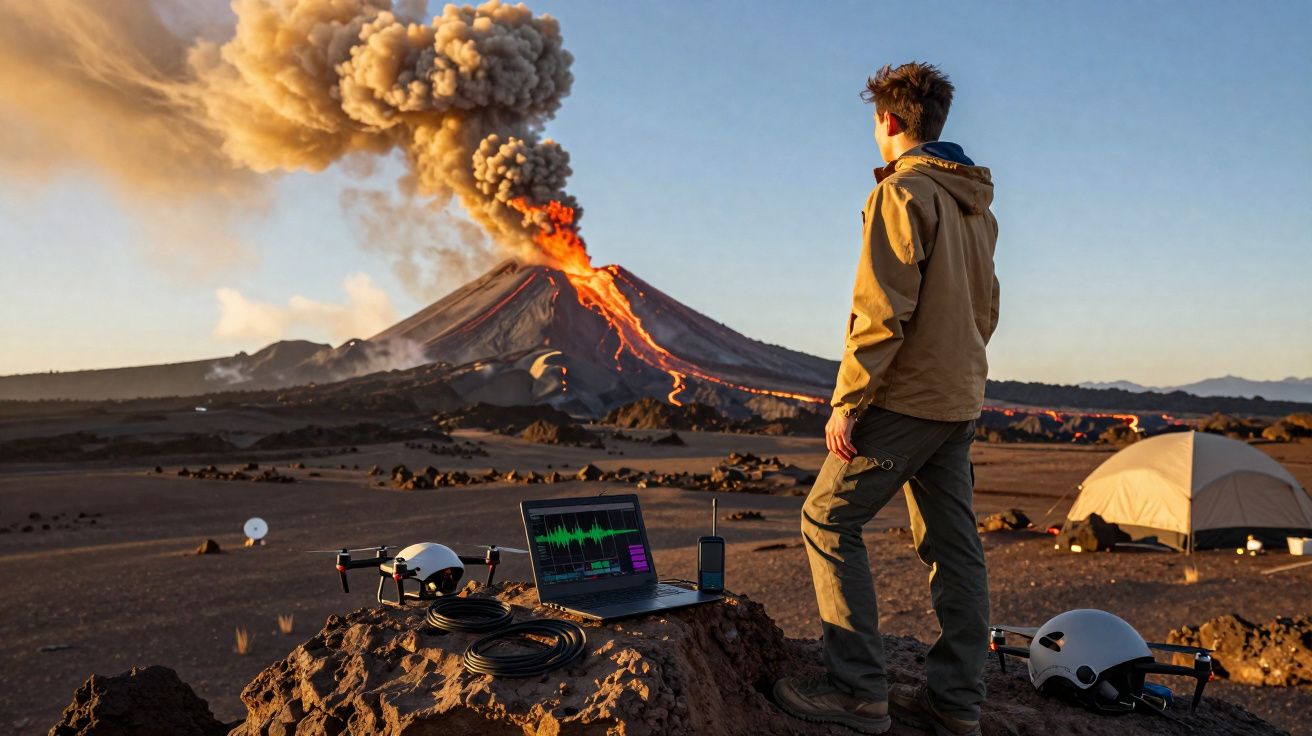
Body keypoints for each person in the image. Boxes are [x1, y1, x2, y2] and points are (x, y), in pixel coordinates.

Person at [773, 62, 1000, 736]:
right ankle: (959, 703)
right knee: (954, 546)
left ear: (891, 121)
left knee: (826, 520)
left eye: (875, 119)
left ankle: (857, 691)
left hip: (902, 401)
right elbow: (987, 309)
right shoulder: (974, 205)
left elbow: (880, 313)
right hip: (957, 400)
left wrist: (848, 401)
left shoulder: (901, 196)